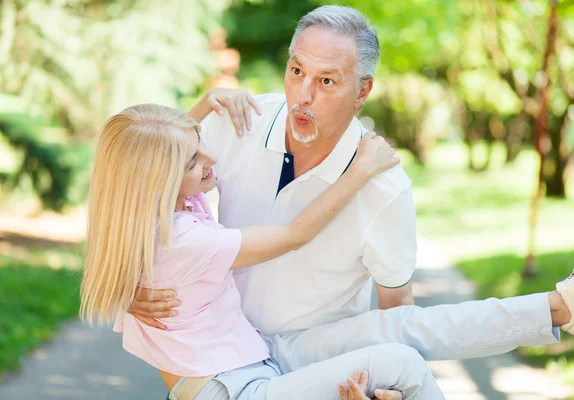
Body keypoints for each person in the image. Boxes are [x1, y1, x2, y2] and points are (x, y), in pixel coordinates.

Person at [130, 5, 574, 399]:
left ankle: (564, 308)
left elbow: (399, 311)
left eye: (328, 81)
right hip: (226, 360)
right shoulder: (236, 122)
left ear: (363, 92)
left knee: (404, 341)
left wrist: (386, 390)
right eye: (297, 71)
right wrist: (128, 293)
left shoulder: (385, 189)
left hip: (312, 351)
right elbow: (135, 205)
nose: (303, 96)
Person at [79, 100, 446, 399]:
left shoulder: (158, 210)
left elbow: (147, 150)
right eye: (193, 161)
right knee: (404, 365)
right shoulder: (185, 238)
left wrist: (206, 105)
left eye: (201, 142)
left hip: (234, 375)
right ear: (164, 179)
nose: (210, 158)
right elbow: (293, 235)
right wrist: (361, 169)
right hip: (229, 389)